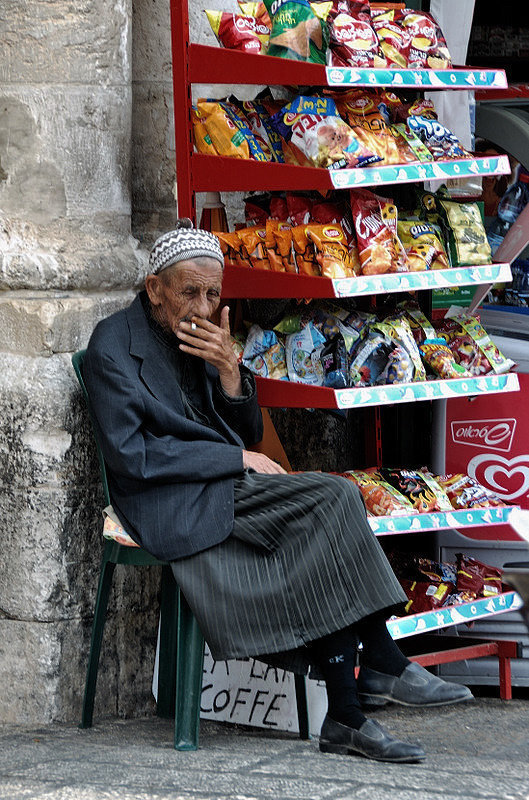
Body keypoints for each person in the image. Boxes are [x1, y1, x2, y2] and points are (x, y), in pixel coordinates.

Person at [83, 219, 473, 764]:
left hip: (222, 481)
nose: (201, 305)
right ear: (154, 289)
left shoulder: (200, 338)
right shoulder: (113, 346)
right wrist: (234, 458)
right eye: (189, 291)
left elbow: (242, 428)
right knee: (331, 501)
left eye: (212, 293)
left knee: (332, 502)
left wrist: (229, 375)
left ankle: (348, 713)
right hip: (167, 496)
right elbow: (134, 457)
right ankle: (374, 670)